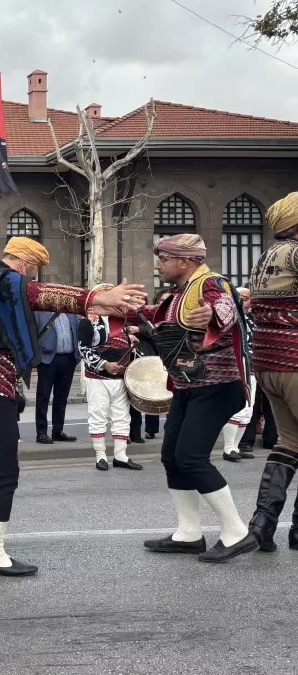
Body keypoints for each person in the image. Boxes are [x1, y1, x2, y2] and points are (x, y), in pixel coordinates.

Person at [0, 237, 145, 576]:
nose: (31, 275)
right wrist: (94, 297)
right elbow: (39, 294)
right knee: (3, 472)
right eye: (31, 268)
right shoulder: (8, 280)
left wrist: (96, 305)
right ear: (23, 261)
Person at [139, 234, 257, 562]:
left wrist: (211, 317)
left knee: (191, 457)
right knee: (172, 457)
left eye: (163, 258)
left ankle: (237, 532)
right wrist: (126, 305)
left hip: (216, 386)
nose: (157, 264)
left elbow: (225, 308)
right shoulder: (178, 293)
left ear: (185, 261)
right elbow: (159, 318)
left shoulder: (210, 285)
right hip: (190, 385)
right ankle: (188, 534)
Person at [248, 193, 298, 552]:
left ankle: (262, 525)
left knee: (290, 443)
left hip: (268, 362)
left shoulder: (266, 256)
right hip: (295, 359)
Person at [76, 309, 143, 472]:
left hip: (120, 378)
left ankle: (121, 456)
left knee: (122, 417)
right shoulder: (88, 321)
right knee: (98, 414)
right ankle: (100, 456)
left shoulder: (123, 322)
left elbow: (131, 349)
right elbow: (83, 349)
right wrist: (105, 365)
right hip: (98, 378)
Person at [34, 309, 80, 444]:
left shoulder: (71, 313)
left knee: (61, 397)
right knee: (43, 396)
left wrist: (77, 355)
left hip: (68, 359)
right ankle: (41, 432)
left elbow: (76, 332)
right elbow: (33, 333)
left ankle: (57, 431)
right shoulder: (40, 312)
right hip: (48, 359)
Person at [221, 289, 256, 463]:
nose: (249, 303)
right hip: (236, 368)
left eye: (250, 299)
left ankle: (235, 446)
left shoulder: (250, 319)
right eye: (245, 299)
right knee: (239, 408)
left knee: (248, 410)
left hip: (252, 368)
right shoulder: (230, 319)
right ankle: (228, 448)